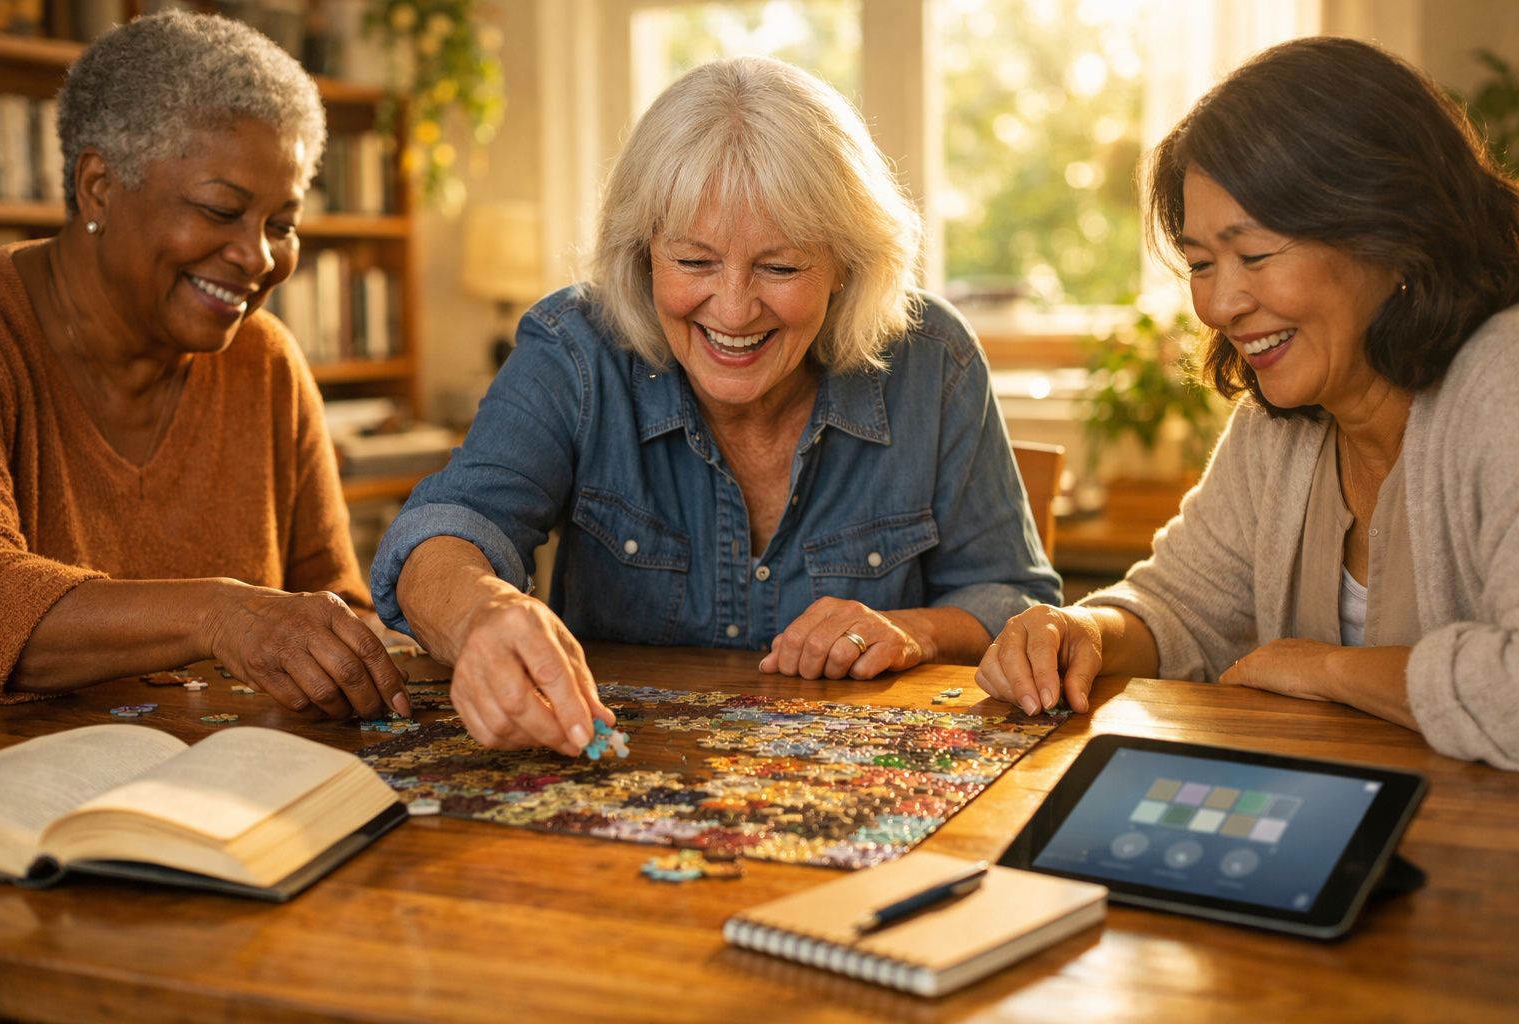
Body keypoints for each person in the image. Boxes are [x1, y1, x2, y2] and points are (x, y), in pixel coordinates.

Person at [373, 56, 1061, 753]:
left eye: (781, 266)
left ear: (848, 266)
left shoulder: (933, 361)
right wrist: (480, 615)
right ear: (642, 256)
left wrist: (917, 630)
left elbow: (1014, 602)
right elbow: (446, 530)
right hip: (615, 780)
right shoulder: (575, 347)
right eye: (694, 262)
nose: (733, 308)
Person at [975, 36, 1519, 769]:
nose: (1221, 303)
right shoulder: (1277, 427)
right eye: (1201, 264)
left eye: (1255, 255)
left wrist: (1321, 668)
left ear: (1391, 232)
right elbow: (1181, 610)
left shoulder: (1503, 378)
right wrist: (1086, 631)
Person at [0, 11, 408, 719]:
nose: (260, 257)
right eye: (221, 211)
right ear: (98, 186)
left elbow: (338, 618)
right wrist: (219, 615)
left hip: (230, 805)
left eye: (282, 224)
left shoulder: (266, 364)